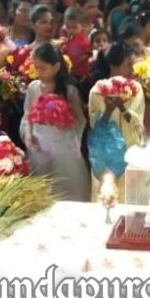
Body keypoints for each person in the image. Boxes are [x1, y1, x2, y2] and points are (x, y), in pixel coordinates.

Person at [20, 43, 89, 201]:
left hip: (63, 147)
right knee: (42, 192)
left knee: (67, 192)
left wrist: (68, 127)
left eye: (43, 68)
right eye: (36, 68)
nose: (38, 72)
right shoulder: (33, 88)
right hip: (39, 146)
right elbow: (27, 115)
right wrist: (28, 133)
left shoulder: (69, 91)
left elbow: (80, 120)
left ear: (56, 67)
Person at [89, 41, 144, 202]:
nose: (132, 70)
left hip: (130, 152)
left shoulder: (136, 89)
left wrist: (122, 108)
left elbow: (138, 124)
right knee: (106, 198)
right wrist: (108, 110)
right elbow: (95, 128)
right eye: (128, 65)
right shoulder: (97, 91)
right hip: (104, 157)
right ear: (113, 66)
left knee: (130, 200)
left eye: (133, 64)